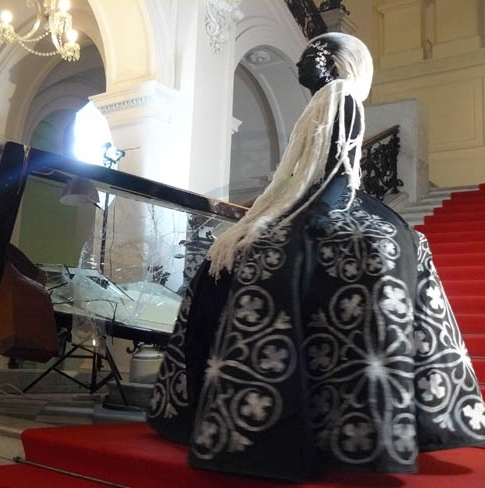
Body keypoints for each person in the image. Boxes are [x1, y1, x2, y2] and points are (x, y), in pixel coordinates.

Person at [147, 32, 485, 481]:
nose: (303, 63)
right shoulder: (332, 100)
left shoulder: (338, 98)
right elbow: (310, 174)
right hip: (317, 203)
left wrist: (307, 217)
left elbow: (331, 172)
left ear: (334, 63)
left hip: (323, 203)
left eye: (314, 55)